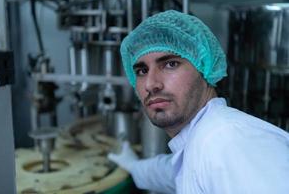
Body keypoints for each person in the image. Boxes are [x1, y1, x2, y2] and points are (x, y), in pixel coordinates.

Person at [108, 10, 289, 194]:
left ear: (204, 66)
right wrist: (134, 166)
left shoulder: (226, 141)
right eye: (141, 71)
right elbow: (174, 172)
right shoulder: (201, 142)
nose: (151, 84)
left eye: (170, 64)